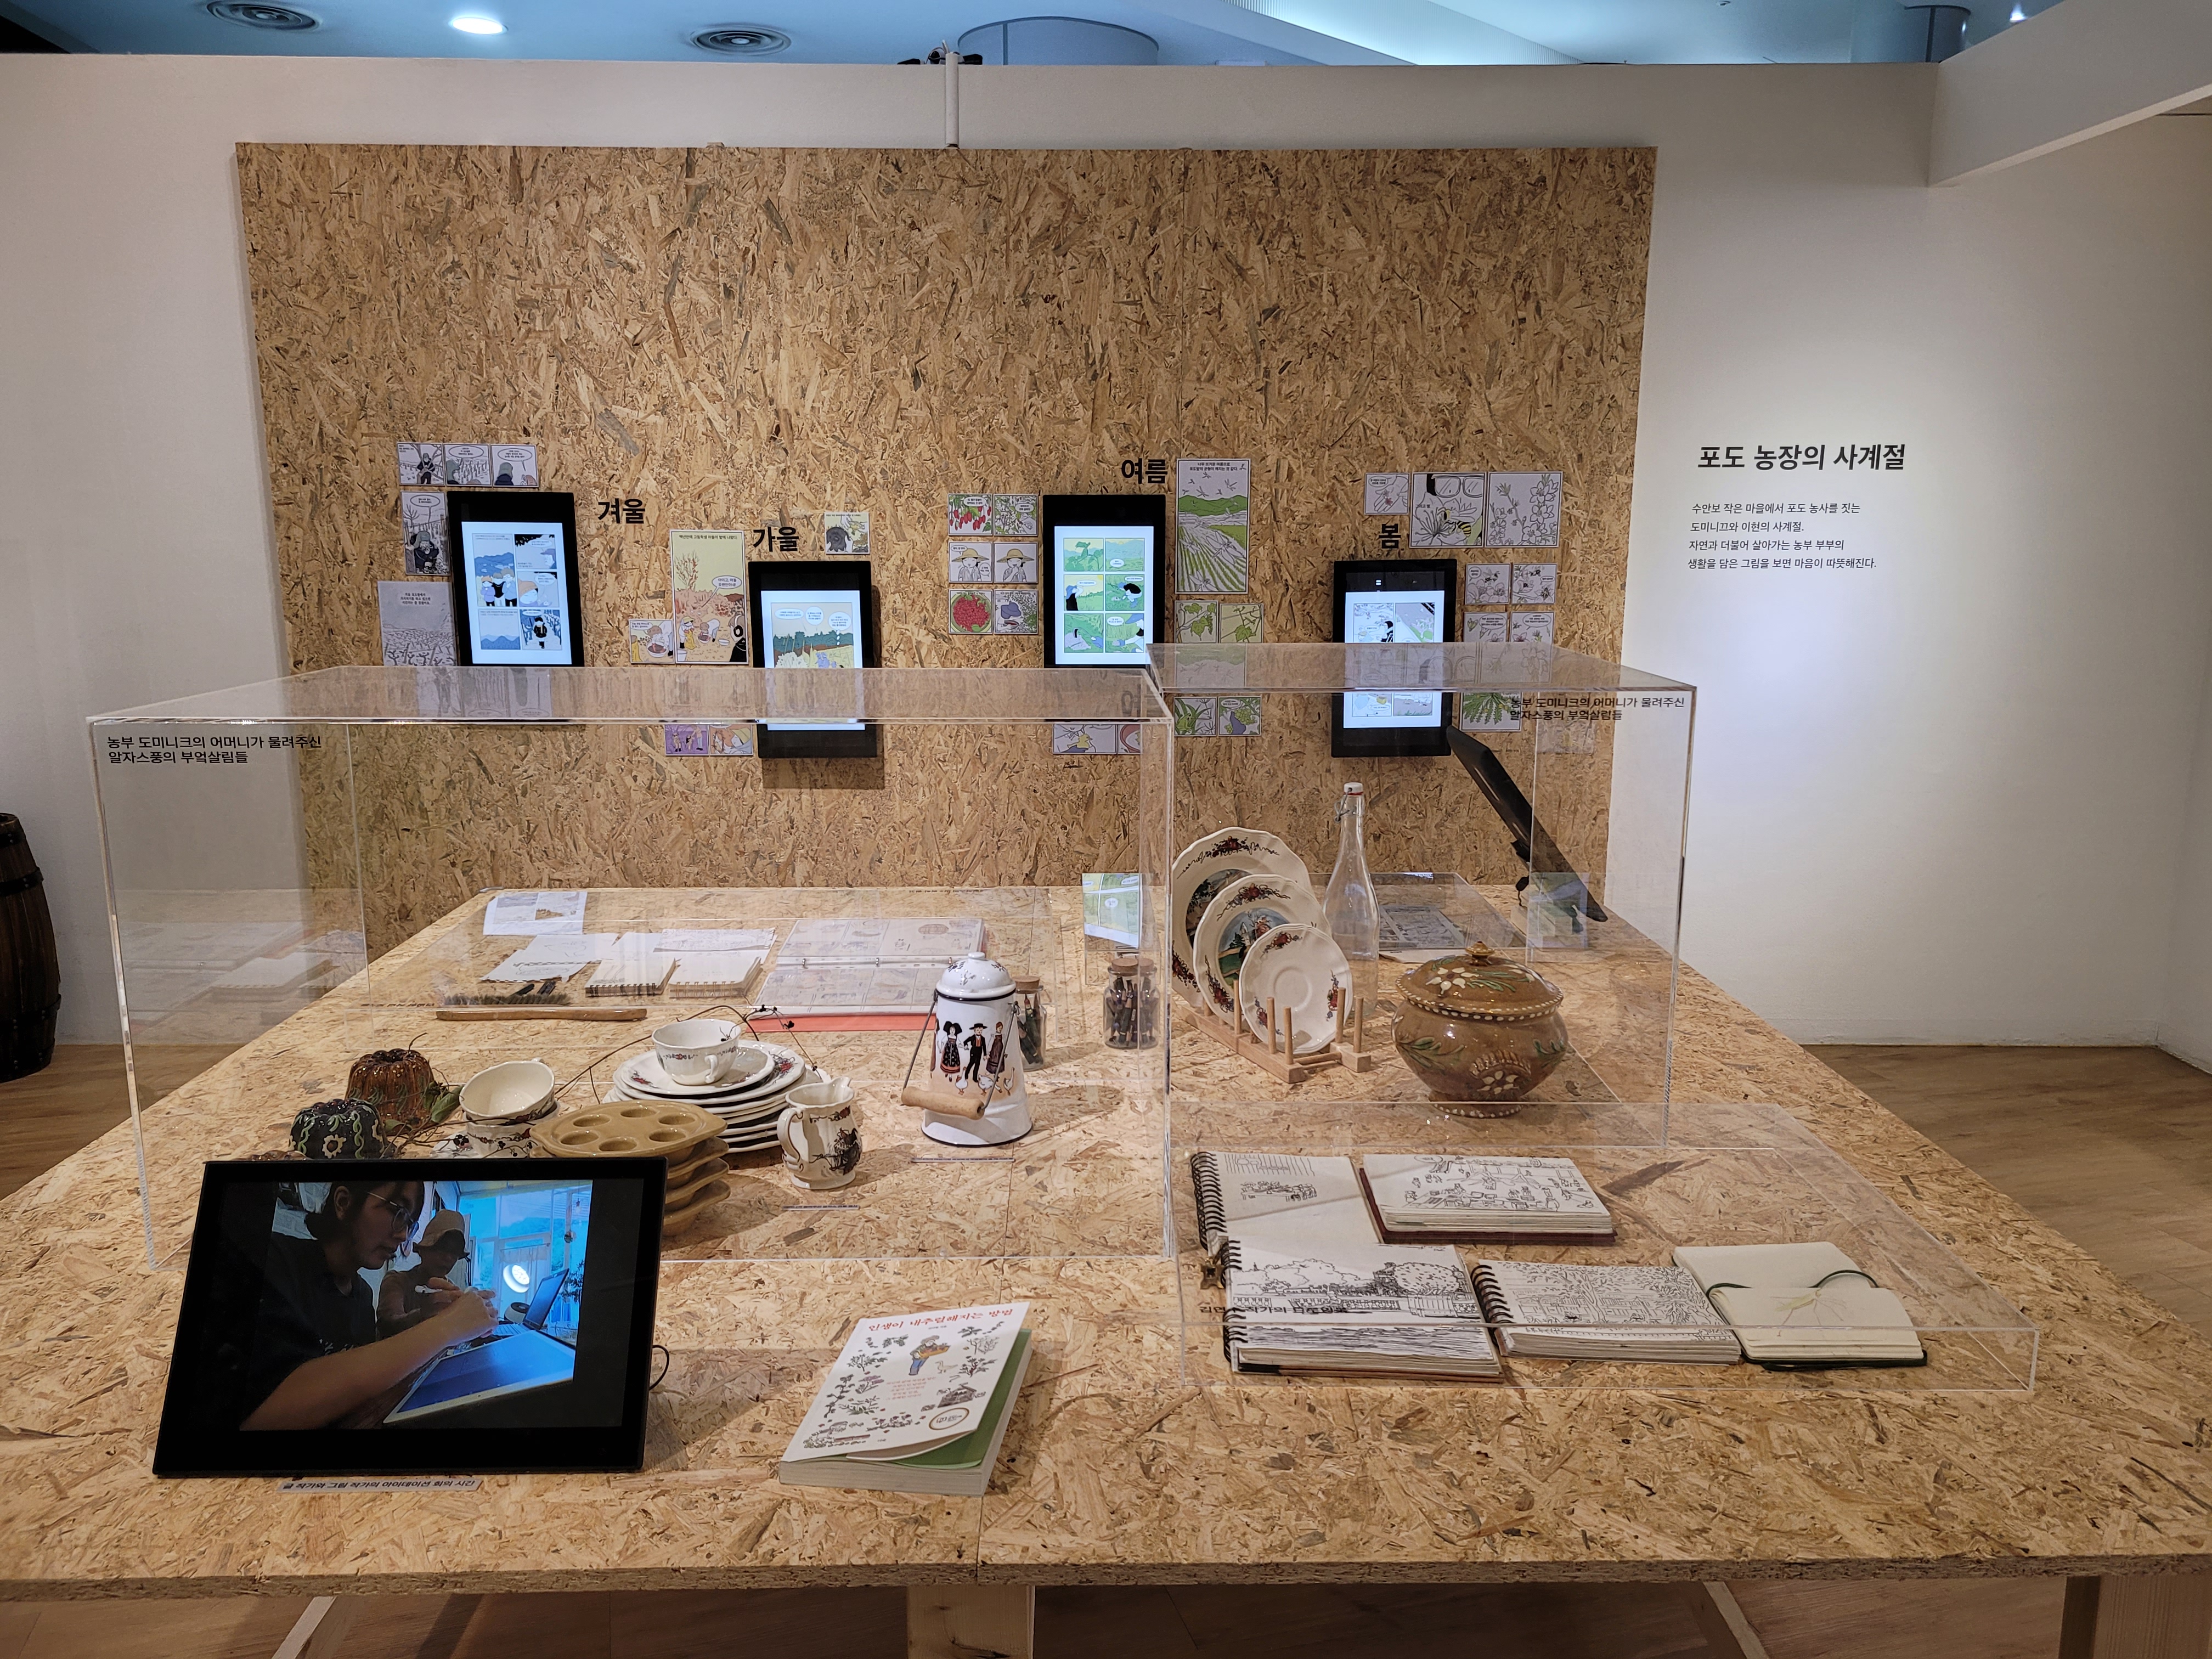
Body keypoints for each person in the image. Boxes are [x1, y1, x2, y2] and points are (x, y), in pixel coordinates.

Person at [238, 1181, 495, 1430]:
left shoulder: (362, 1295)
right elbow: (262, 1413)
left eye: (409, 1223)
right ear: (344, 1203)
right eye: (398, 1211)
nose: (403, 1234)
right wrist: (447, 1326)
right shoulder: (274, 1260)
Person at [376, 1207, 470, 1339]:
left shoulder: (453, 1292)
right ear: (423, 1250)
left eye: (455, 1252)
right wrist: (425, 1313)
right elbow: (389, 1326)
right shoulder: (397, 1281)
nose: (448, 1258)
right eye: (442, 1248)